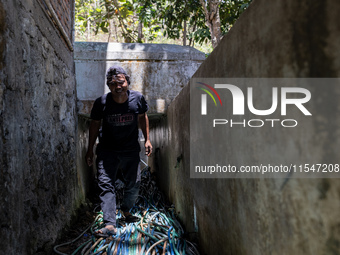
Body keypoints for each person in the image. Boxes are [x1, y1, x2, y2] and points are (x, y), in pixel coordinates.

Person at [85, 66, 152, 237]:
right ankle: (109, 224)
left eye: (120, 82)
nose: (117, 87)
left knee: (134, 183)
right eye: (112, 84)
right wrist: (90, 150)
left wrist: (148, 140)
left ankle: (126, 210)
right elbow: (94, 124)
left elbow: (142, 117)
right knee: (106, 184)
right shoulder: (102, 103)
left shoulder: (137, 99)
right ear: (109, 86)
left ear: (127, 82)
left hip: (130, 149)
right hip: (107, 151)